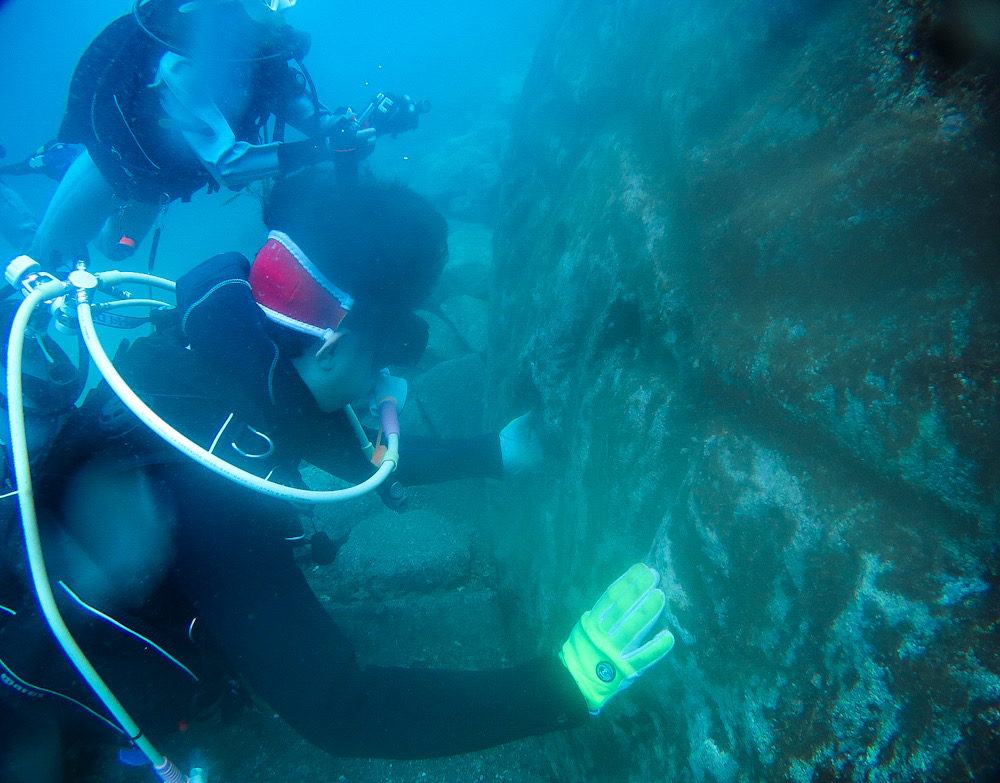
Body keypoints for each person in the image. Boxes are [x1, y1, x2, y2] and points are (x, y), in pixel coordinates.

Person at [0, 170, 673, 774]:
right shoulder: (209, 489)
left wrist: (495, 452)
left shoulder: (224, 337)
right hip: (42, 707)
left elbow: (356, 453)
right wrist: (570, 680)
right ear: (335, 346)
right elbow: (340, 709)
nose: (389, 379)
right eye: (387, 353)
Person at [28, 0, 424, 270]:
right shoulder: (184, 58)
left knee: (116, 251)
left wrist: (366, 122)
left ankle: (100, 224)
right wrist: (326, 147)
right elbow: (228, 165)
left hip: (157, 186)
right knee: (45, 255)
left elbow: (317, 122)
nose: (281, 10)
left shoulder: (267, 59)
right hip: (113, 167)